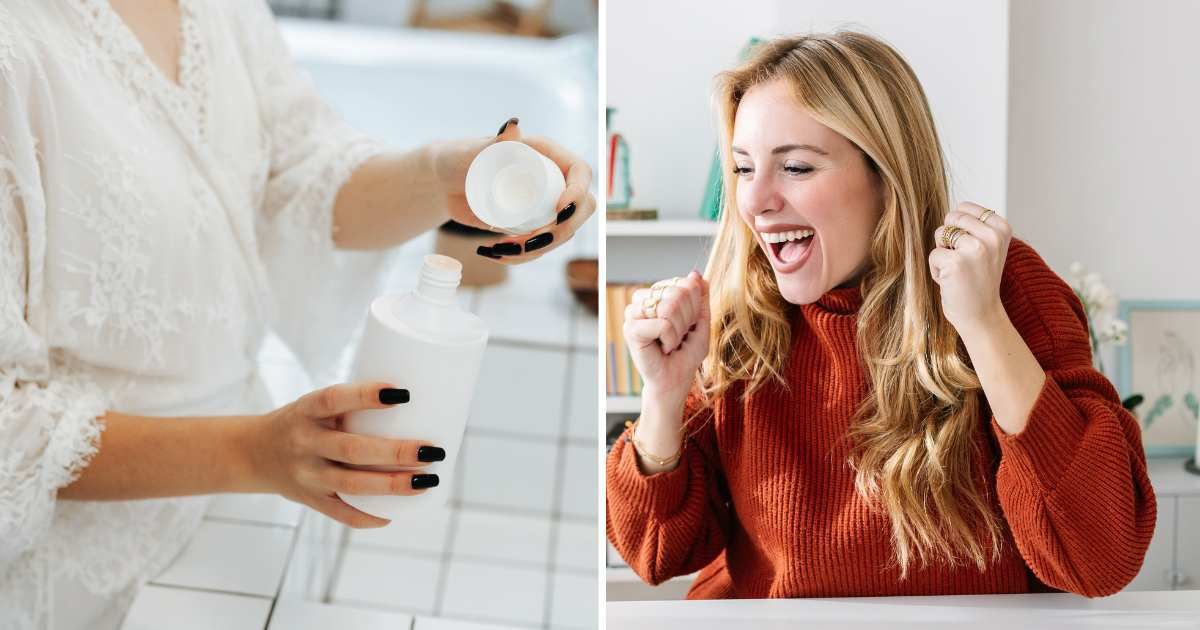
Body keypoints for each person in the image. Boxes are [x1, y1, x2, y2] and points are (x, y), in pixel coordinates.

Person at [0, 0, 594, 627]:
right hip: (77, 573)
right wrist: (253, 453)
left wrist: (439, 175)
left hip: (220, 502)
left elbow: (300, 175)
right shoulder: (18, 49)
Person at [606, 31, 1154, 600]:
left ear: (885, 173)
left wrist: (983, 324)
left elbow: (1101, 557)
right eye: (743, 169)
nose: (756, 201)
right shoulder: (740, 317)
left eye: (795, 167)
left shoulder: (1001, 284)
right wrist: (664, 397)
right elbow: (656, 552)